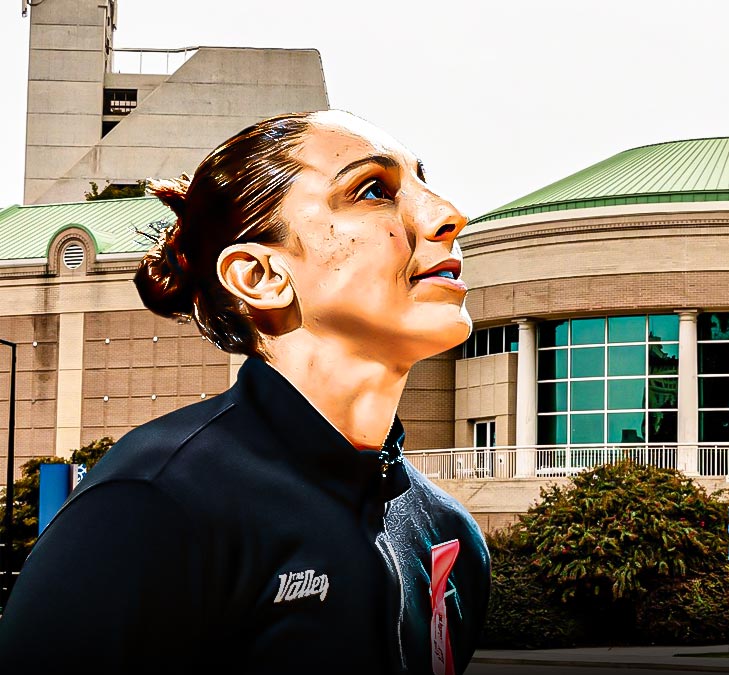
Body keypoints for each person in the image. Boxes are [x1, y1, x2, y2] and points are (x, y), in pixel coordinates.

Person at [0, 110, 489, 674]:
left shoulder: (449, 536)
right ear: (260, 276)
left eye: (424, 183)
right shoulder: (151, 507)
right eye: (373, 190)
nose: (450, 215)